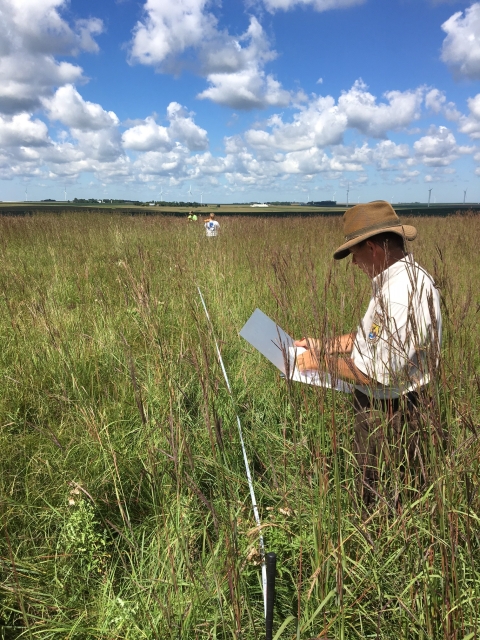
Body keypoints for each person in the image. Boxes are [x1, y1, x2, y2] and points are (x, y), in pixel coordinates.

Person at [294, 200, 442, 507]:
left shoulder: (401, 294)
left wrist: (319, 364)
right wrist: (323, 344)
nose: (353, 263)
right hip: (389, 409)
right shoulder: (397, 282)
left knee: (385, 499)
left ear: (372, 248)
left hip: (394, 415)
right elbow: (372, 338)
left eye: (354, 253)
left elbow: (376, 374)